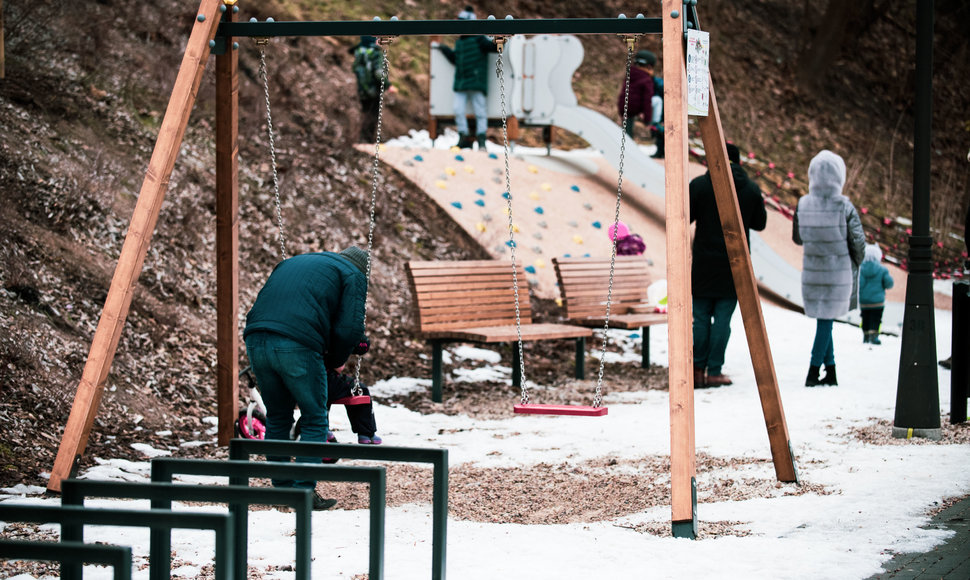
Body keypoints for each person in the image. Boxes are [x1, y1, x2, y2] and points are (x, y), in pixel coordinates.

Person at [243, 246, 370, 510]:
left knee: (278, 415)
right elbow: (349, 328)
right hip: (296, 344)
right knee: (313, 418)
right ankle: (302, 493)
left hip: (255, 337)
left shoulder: (297, 262)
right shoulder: (354, 274)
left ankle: (281, 489)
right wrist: (335, 360)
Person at [689, 142, 767, 387]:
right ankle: (714, 371)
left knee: (700, 318)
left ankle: (697, 371)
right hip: (735, 265)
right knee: (723, 320)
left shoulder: (699, 186)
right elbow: (760, 223)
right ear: (739, 162)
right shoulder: (751, 189)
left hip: (703, 264)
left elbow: (686, 216)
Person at [793, 150, 866, 387]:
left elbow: (798, 237)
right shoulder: (844, 206)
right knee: (826, 320)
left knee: (825, 319)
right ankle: (814, 371)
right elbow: (858, 243)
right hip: (838, 272)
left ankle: (831, 371)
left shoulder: (803, 204)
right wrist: (856, 261)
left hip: (813, 270)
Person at [432, 6, 498, 149]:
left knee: (480, 112)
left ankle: (481, 139)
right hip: (462, 82)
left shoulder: (479, 39)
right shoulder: (460, 42)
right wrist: (444, 49)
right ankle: (463, 136)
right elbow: (456, 59)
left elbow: (493, 48)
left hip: (475, 81)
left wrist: (501, 40)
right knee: (458, 109)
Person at [617, 50, 655, 147]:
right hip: (634, 107)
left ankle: (625, 146)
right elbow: (647, 100)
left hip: (623, 104)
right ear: (649, 66)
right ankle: (628, 148)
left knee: (626, 128)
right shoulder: (646, 79)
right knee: (628, 132)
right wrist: (647, 119)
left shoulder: (630, 73)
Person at [858, 243, 894, 345]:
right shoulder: (882, 270)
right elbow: (889, 284)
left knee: (865, 318)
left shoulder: (861, 269)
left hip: (864, 300)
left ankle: (866, 335)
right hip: (877, 301)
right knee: (876, 319)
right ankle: (874, 336)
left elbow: (859, 284)